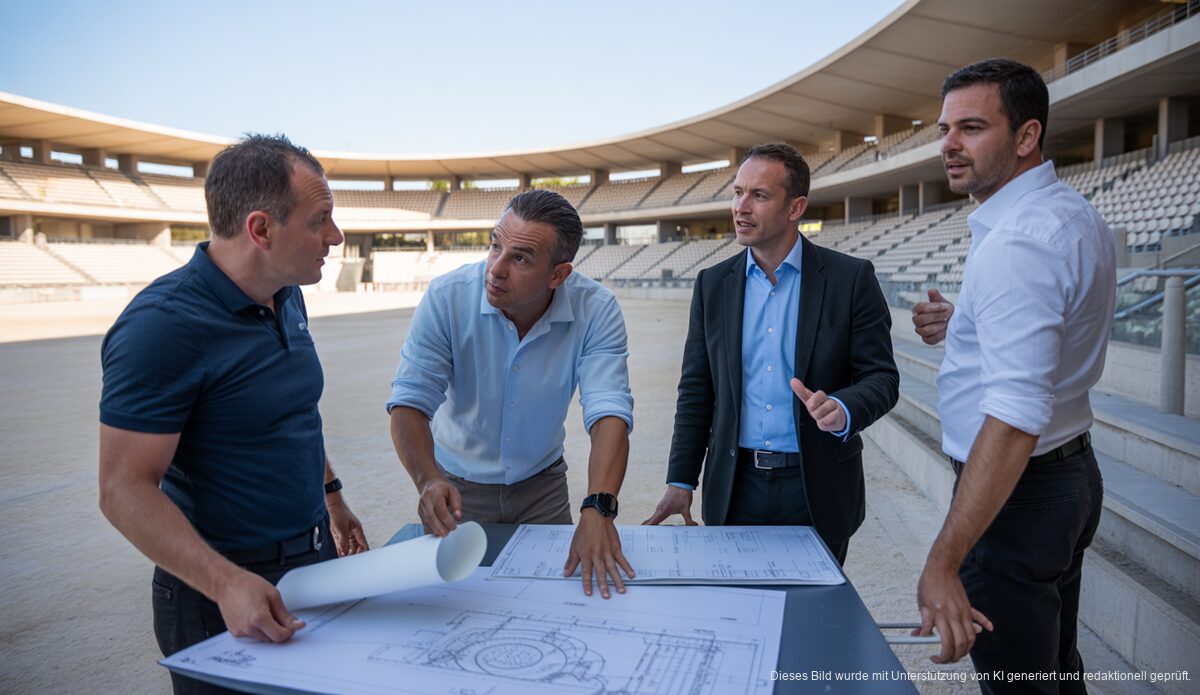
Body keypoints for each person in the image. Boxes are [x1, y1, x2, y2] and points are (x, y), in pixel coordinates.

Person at [98, 134, 369, 695]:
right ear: (261, 230)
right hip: (218, 589)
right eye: (321, 220)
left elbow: (293, 414)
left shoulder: (288, 293)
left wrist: (333, 499)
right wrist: (225, 584)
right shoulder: (162, 326)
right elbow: (123, 489)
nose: (335, 237)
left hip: (312, 560)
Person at [911, 58, 1116, 690]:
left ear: (1026, 137)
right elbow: (1051, 329)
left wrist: (943, 561)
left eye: (971, 127)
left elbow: (1015, 415)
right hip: (1067, 473)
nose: (949, 144)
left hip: (1019, 497)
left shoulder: (1018, 242)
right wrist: (966, 322)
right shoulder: (1065, 213)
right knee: (1054, 666)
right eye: (945, 129)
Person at [643, 142, 899, 564]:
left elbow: (883, 379)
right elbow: (696, 391)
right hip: (734, 485)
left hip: (815, 484)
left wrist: (843, 406)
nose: (741, 207)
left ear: (795, 207)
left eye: (758, 196)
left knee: (809, 620)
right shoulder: (712, 284)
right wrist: (681, 479)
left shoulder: (850, 279)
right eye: (737, 192)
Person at [387, 189, 635, 598]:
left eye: (519, 258)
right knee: (457, 605)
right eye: (494, 246)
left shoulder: (598, 308)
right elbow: (410, 402)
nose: (495, 269)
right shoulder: (446, 297)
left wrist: (599, 506)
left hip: (544, 491)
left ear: (558, 275)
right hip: (456, 491)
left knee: (553, 599)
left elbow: (609, 411)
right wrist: (428, 479)